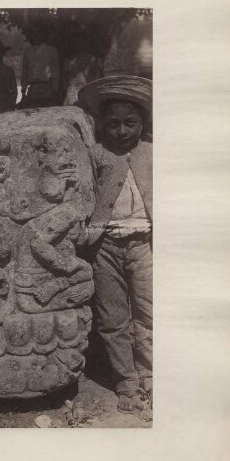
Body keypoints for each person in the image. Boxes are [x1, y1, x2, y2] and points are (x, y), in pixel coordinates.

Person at [79, 75, 152, 414]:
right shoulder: (95, 155)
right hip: (105, 247)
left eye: (130, 123)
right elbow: (81, 196)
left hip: (145, 244)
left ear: (142, 123)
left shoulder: (152, 154)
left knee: (148, 312)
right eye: (114, 124)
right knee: (113, 318)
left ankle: (151, 376)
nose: (122, 131)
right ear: (102, 126)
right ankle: (126, 381)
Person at [19, 22, 60, 108]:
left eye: (39, 32)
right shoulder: (28, 52)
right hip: (33, 88)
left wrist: (54, 91)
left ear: (43, 34)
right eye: (34, 33)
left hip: (47, 88)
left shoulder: (51, 50)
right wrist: (23, 93)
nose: (36, 35)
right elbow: (25, 72)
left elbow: (56, 71)